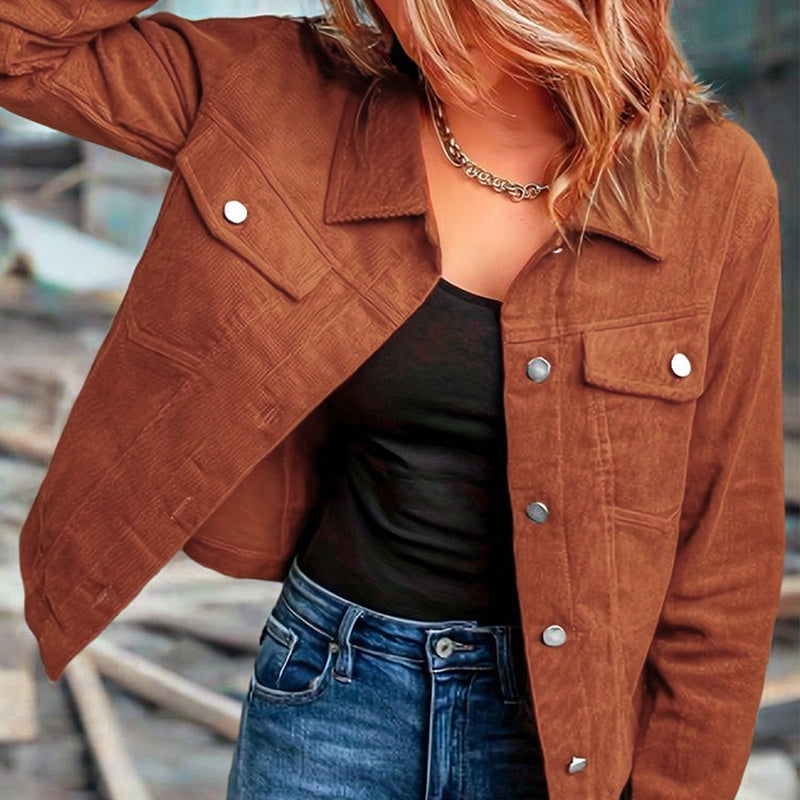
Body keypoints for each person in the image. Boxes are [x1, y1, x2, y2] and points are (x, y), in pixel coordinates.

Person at [1, 1, 785, 798]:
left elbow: (725, 553)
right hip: (331, 687)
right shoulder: (285, 90)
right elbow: (17, 47)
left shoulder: (711, 186)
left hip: (560, 732)